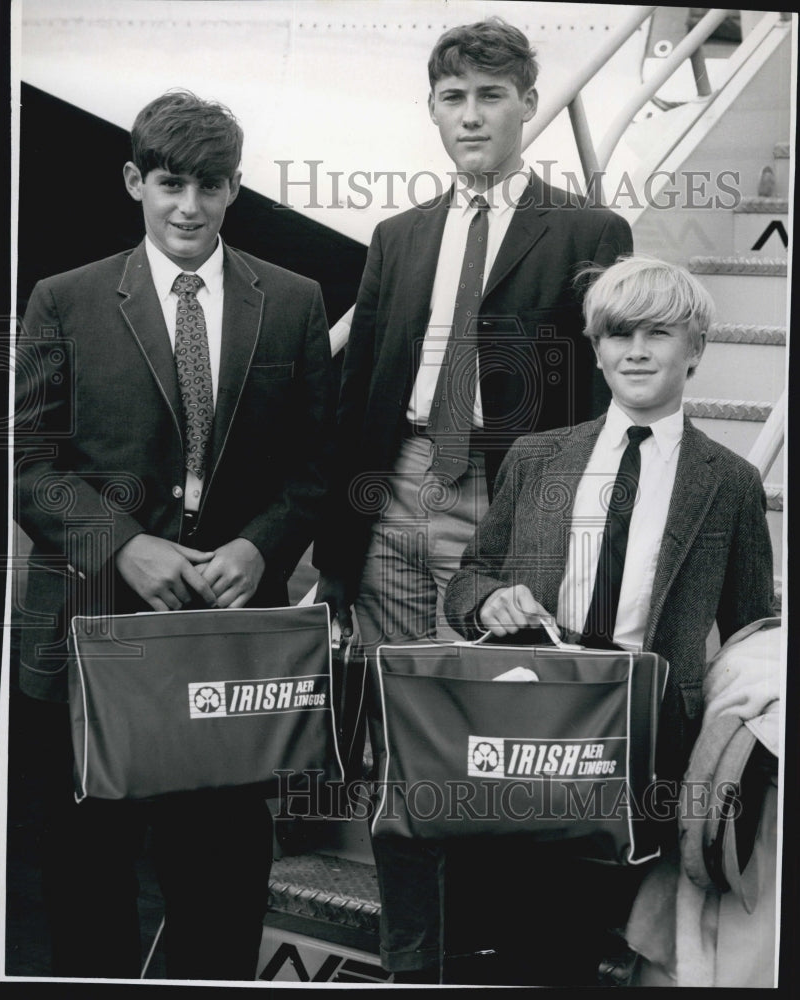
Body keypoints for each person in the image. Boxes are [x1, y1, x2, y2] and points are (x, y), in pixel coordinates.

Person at [312, 17, 631, 982]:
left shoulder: (587, 230)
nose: (471, 115)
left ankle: (503, 955)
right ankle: (415, 959)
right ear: (432, 112)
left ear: (529, 104)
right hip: (396, 496)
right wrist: (336, 551)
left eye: (491, 96)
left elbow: (599, 394)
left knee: (496, 743)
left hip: (507, 506)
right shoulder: (397, 237)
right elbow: (361, 387)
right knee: (404, 745)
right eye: (453, 98)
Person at [13, 90, 332, 980]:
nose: (189, 206)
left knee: (222, 879)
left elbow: (316, 469)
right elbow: (27, 465)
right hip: (90, 631)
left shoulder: (295, 302)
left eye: (210, 185)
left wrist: (259, 546)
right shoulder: (64, 300)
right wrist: (121, 544)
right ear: (134, 181)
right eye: (169, 184)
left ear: (236, 188)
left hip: (225, 646)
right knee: (87, 877)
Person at [443, 255, 775, 985]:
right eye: (617, 334)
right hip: (531, 728)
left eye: (657, 333)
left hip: (645, 748)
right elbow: (467, 579)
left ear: (695, 351)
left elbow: (755, 633)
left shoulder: (728, 484)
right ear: (594, 350)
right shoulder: (536, 458)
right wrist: (485, 603)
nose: (635, 350)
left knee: (604, 937)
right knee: (520, 931)